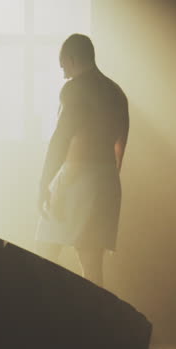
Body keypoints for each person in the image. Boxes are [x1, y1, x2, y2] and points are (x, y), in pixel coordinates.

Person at [34, 34, 129, 288]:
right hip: (106, 179)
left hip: (77, 177)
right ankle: (94, 324)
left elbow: (61, 138)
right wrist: (109, 180)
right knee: (91, 264)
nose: (64, 73)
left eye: (63, 65)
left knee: (46, 252)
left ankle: (41, 312)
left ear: (73, 59)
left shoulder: (75, 89)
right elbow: (121, 145)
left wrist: (44, 182)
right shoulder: (116, 92)